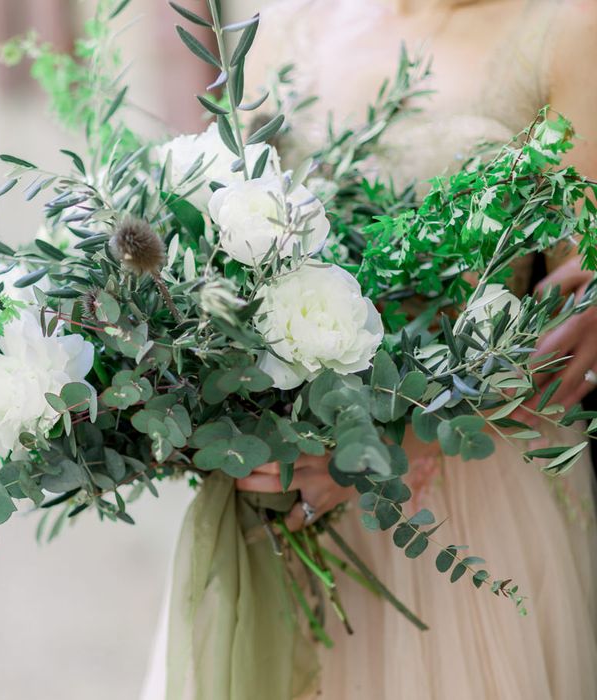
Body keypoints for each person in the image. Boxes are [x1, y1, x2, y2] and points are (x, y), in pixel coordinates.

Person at [232, 1, 597, 698]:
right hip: (282, 493)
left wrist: (390, 453)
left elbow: (574, 329)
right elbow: (218, 242)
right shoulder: (280, 22)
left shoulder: (567, 30)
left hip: (466, 497)